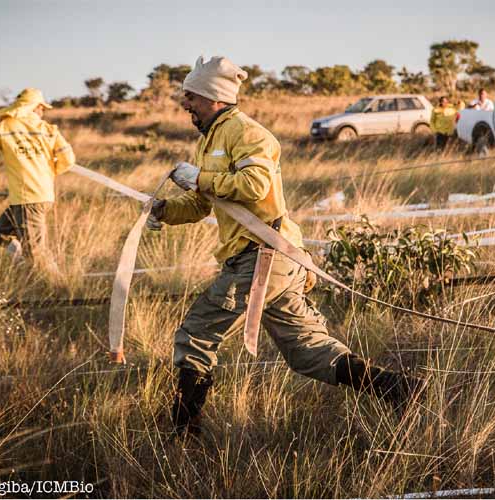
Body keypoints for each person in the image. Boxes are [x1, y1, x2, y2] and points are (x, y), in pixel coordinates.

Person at [147, 56, 423, 435]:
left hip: (262, 257)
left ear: (213, 98)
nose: (185, 104)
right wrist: (165, 210)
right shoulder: (208, 141)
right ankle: (399, 388)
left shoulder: (249, 134)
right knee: (306, 351)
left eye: (191, 96)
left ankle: (181, 432)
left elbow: (253, 187)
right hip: (268, 260)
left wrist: (201, 177)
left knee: (196, 336)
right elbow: (200, 204)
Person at [0, 88, 75, 263]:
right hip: (42, 196)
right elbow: (68, 159)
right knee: (0, 233)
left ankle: (57, 287)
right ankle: (22, 264)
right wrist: (50, 173)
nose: (43, 112)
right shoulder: (48, 129)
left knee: (36, 254)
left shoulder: (1, 128)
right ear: (34, 107)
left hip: (27, 199)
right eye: (42, 108)